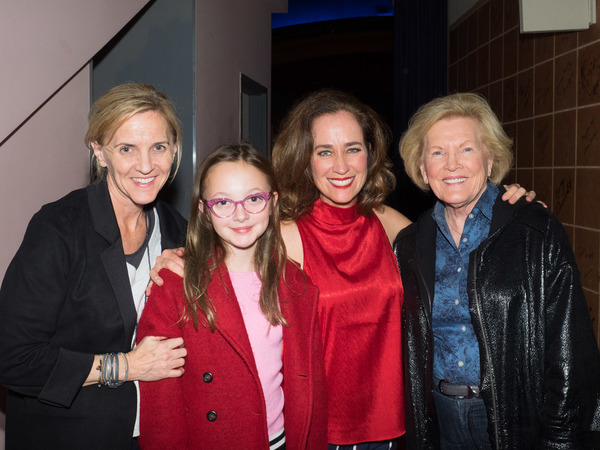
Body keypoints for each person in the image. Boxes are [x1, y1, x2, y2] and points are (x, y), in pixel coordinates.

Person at [150, 90, 533, 450]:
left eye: (353, 149)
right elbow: (232, 243)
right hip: (323, 428)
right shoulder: (284, 233)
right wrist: (183, 257)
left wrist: (510, 205)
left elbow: (462, 242)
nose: (341, 166)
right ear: (306, 158)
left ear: (369, 153)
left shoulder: (388, 223)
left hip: (400, 424)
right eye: (324, 151)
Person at [394, 92, 600, 449]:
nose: (452, 164)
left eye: (467, 149)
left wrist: (561, 440)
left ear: (490, 160)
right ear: (423, 169)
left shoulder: (533, 229)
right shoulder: (410, 243)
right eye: (438, 153)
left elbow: (569, 349)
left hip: (515, 418)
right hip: (438, 419)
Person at [0, 83, 188, 449]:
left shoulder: (178, 230)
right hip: (67, 437)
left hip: (154, 434)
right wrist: (127, 366)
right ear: (99, 152)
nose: (146, 165)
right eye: (127, 149)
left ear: (174, 150)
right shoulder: (58, 228)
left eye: (159, 147)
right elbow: (11, 358)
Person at [137, 143, 327, 450]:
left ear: (273, 201)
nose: (240, 215)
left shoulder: (295, 283)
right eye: (223, 202)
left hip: (280, 441)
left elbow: (311, 389)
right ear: (204, 210)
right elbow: (161, 407)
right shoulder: (175, 284)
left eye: (254, 198)